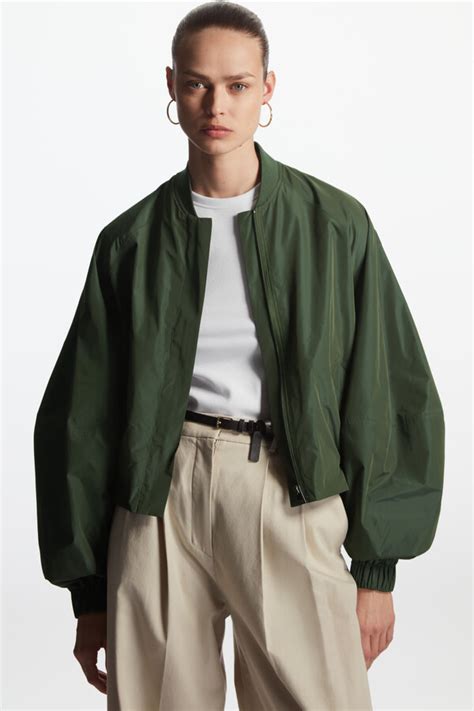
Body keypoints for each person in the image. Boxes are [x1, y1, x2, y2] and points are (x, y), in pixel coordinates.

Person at [33, 2, 445, 709]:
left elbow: (387, 388)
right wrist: (89, 591)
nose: (216, 105)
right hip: (158, 496)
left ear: (267, 88)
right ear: (172, 85)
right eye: (197, 84)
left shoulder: (334, 225)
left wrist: (376, 569)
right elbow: (82, 417)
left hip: (288, 487)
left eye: (237, 85)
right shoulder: (130, 241)